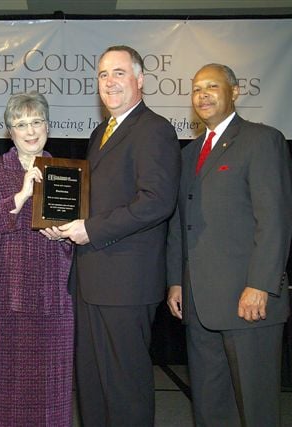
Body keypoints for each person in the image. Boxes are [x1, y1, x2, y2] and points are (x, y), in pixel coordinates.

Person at [55, 45, 181, 426]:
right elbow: (97, 200)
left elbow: (156, 201)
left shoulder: (154, 129)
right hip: (91, 280)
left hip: (125, 284)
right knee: (92, 386)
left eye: (119, 73)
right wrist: (61, 221)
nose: (109, 82)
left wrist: (89, 229)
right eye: (103, 75)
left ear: (140, 80)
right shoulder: (102, 132)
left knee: (125, 389)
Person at [166, 63, 292, 426]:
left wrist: (260, 285)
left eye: (212, 87)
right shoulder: (188, 154)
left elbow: (275, 220)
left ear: (234, 92)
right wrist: (176, 280)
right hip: (198, 304)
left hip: (248, 302)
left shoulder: (261, 140)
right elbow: (180, 222)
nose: (202, 95)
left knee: (256, 408)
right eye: (196, 89)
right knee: (209, 405)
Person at [0, 92, 74, 426]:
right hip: (3, 293)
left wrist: (68, 234)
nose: (29, 131)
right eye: (20, 124)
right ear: (9, 131)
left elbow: (82, 234)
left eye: (36, 122)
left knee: (52, 389)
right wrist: (21, 195)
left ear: (47, 125)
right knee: (5, 388)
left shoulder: (66, 172)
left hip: (54, 294)